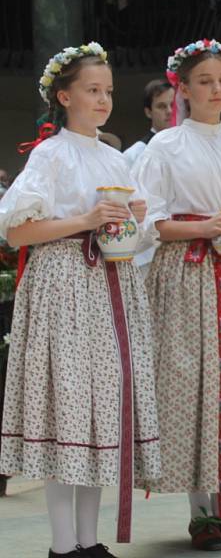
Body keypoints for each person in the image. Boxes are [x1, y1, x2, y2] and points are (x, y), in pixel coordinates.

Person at [0, 42, 160, 558]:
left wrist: (130, 217)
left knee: (101, 414)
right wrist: (86, 221)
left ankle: (90, 543)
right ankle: (62, 544)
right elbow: (19, 232)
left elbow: (129, 234)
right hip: (64, 283)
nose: (103, 99)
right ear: (64, 96)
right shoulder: (51, 153)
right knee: (66, 412)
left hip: (111, 282)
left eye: (108, 91)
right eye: (92, 90)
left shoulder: (114, 156)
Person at [133, 39, 221, 551]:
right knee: (194, 384)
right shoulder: (165, 147)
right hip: (188, 274)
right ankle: (201, 511)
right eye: (205, 82)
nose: (216, 90)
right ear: (183, 88)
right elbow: (149, 223)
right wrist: (205, 227)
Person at [122, 78, 174, 168]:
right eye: (162, 106)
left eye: (173, 105)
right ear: (148, 112)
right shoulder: (134, 154)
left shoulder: (189, 147)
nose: (169, 111)